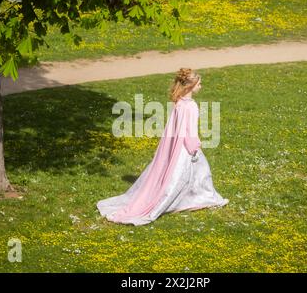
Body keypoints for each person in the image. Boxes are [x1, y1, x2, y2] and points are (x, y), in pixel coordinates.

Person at [96, 68, 229, 225]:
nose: (201, 86)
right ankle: (201, 198)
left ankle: (194, 197)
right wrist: (194, 147)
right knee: (194, 172)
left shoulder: (179, 103)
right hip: (186, 147)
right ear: (191, 86)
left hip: (176, 145)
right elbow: (189, 130)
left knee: (195, 172)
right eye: (199, 84)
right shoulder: (190, 106)